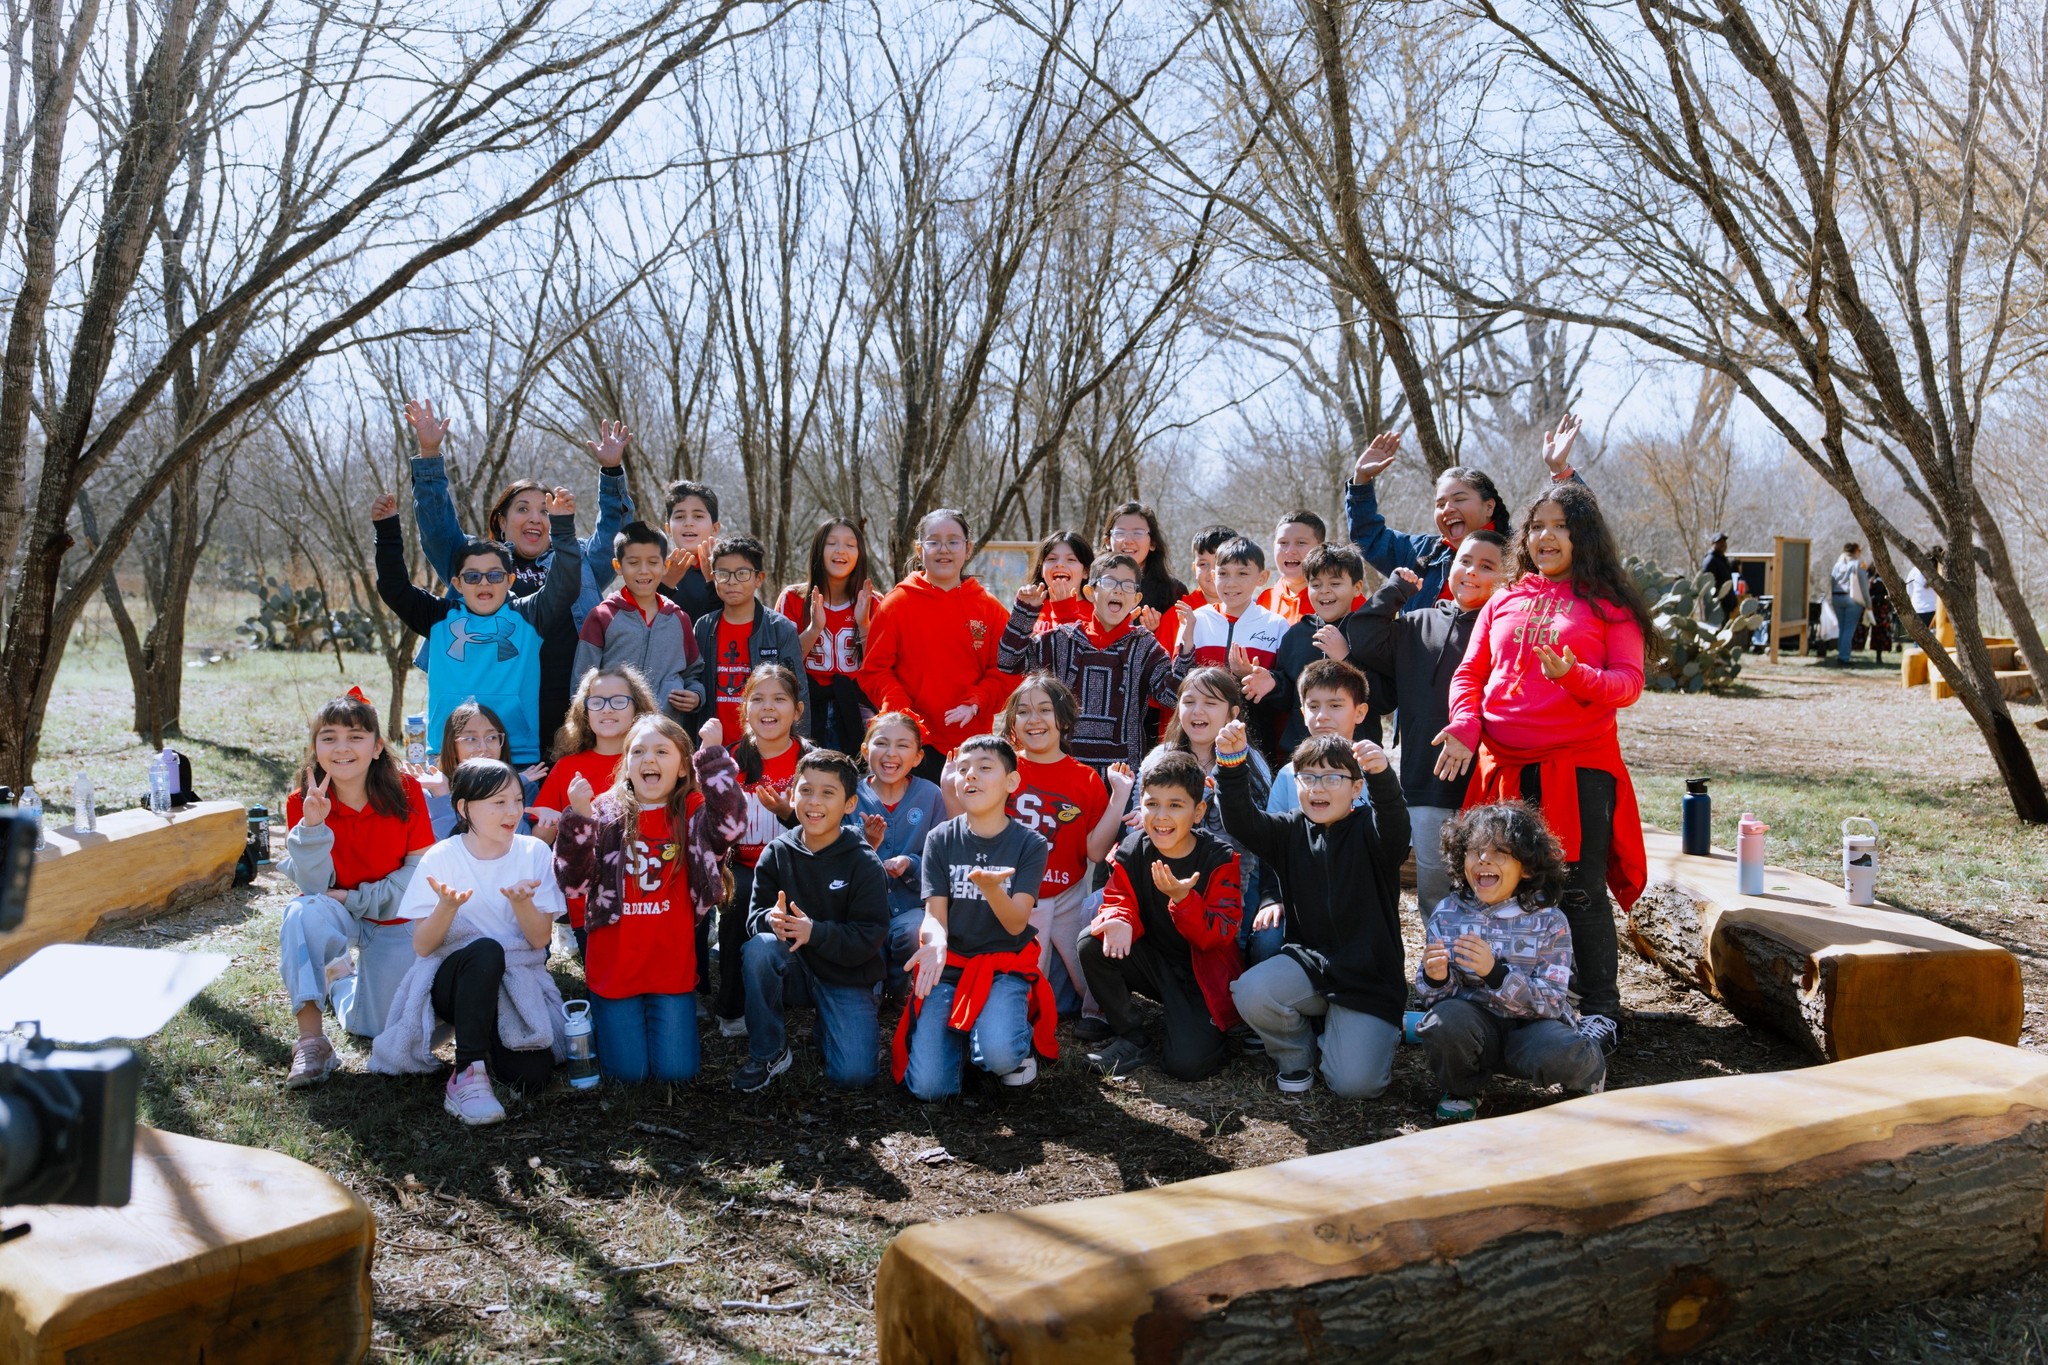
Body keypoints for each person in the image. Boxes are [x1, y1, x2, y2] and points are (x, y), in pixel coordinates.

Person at [1436, 471, 1651, 1057]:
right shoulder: (1505, 597)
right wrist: (1465, 726)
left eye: (1561, 527)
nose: (1546, 537)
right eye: (1537, 527)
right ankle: (1504, 999)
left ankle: (1601, 1010)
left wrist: (1574, 675)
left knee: (1577, 890)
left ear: (1585, 536)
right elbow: (1470, 673)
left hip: (1575, 766)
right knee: (1499, 884)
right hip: (1501, 766)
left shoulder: (1608, 604)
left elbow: (1628, 683)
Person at [403, 402, 634, 744]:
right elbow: (437, 529)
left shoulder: (578, 559)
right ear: (501, 520)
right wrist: (429, 455)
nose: (535, 518)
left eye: (545, 510)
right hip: (488, 707)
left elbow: (615, 535)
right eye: (523, 509)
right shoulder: (475, 561)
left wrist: (612, 472)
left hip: (568, 704)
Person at [368, 758, 568, 1125]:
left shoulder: (535, 852)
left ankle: (488, 1041)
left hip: (512, 981)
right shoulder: (442, 857)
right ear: (464, 808)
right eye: (498, 802)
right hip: (454, 981)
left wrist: (522, 904)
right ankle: (467, 1073)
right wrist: (446, 908)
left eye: (517, 800)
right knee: (485, 949)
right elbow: (423, 947)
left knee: (532, 1077)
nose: (512, 812)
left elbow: (539, 939)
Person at [1219, 726, 1408, 1097]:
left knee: (1355, 1085)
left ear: (1356, 788)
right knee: (1252, 990)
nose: (1318, 788)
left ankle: (1374, 1031)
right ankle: (1296, 1056)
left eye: (1333, 778)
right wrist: (1231, 762)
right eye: (1307, 777)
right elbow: (1241, 821)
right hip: (1310, 965)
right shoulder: (1289, 829)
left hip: (1368, 979)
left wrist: (1383, 777)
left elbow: (1396, 827)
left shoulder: (1372, 833)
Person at [555, 715, 744, 1086]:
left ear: (683, 767)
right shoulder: (604, 813)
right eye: (638, 752)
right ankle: (605, 1021)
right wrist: (578, 817)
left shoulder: (693, 811)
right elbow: (573, 884)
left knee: (677, 1072)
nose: (649, 759)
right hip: (614, 969)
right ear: (626, 765)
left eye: (661, 751)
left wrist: (713, 756)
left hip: (670, 969)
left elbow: (731, 825)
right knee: (629, 1075)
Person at [279, 688, 436, 1085]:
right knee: (299, 913)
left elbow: (418, 873)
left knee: (378, 1027)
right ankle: (312, 1042)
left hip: (391, 914)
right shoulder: (301, 801)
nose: (342, 747)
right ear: (316, 748)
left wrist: (357, 897)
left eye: (355, 736)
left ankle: (340, 981)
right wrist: (312, 827)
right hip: (332, 909)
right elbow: (313, 887)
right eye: (329, 737)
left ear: (377, 746)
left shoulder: (406, 791)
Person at [1415, 801, 1606, 1122]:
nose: (1484, 859)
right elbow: (1435, 1000)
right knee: (1443, 1021)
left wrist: (1496, 974)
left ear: (1527, 868)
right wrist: (1436, 978)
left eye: (1499, 852)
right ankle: (1461, 1089)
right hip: (1476, 1030)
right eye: (1475, 851)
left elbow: (1551, 1001)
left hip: (1534, 1031)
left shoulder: (1549, 920)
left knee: (1561, 1053)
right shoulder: (1448, 914)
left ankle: (1588, 1069)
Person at [1352, 531, 1509, 913]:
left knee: (1490, 888)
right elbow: (1364, 635)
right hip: (1426, 780)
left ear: (1506, 577)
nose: (1471, 572)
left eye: (1486, 566)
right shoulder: (1416, 623)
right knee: (1435, 890)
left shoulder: (1506, 630)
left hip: (1487, 783)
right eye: (1464, 562)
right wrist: (1395, 590)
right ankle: (1438, 951)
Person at [894, 735, 1055, 1100]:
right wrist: (935, 942)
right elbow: (935, 915)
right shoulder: (940, 838)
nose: (970, 776)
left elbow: (1016, 923)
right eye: (963, 769)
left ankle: (1011, 1042)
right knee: (929, 1089)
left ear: (1011, 781)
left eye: (984, 768)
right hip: (951, 968)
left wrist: (992, 889)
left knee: (1000, 1056)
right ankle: (966, 1040)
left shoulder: (1029, 843)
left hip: (1004, 968)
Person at [372, 489, 580, 768]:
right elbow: (394, 588)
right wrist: (386, 530)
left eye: (494, 575)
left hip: (515, 755)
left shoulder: (529, 617)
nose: (484, 583)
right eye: (472, 576)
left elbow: (566, 585)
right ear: (457, 584)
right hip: (449, 754)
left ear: (510, 580)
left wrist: (563, 525)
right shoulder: (438, 617)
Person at [1079, 749, 1245, 1080]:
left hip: (1201, 978)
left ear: (1198, 812)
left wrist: (1183, 899)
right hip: (1153, 966)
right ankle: (1132, 1036)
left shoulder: (1219, 859)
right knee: (1092, 942)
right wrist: (1119, 918)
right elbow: (1117, 896)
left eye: (1175, 805)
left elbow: (1218, 935)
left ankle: (1203, 1027)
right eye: (1152, 804)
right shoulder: (1132, 849)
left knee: (1185, 1066)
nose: (1161, 816)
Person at [739, 748, 890, 1092]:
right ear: (792, 795)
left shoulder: (863, 861)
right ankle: (769, 1052)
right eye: (805, 790)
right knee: (760, 949)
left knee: (854, 1076)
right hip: (795, 966)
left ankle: (831, 1022)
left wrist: (815, 932)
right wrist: (772, 920)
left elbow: (870, 935)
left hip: (846, 972)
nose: (814, 801)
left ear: (849, 804)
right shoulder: (777, 851)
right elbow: (754, 919)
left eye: (827, 792)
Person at [990, 675, 1133, 1032]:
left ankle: (1099, 1016)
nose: (1034, 720)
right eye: (1023, 711)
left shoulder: (1084, 778)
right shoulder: (1000, 768)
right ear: (1011, 722)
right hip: (1014, 895)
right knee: (1022, 987)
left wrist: (1118, 798)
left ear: (1065, 719)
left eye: (1044, 709)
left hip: (1068, 893)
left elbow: (1096, 852)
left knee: (1087, 969)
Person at [1345, 419, 1585, 614]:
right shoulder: (1420, 553)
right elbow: (1368, 536)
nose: (1447, 509)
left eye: (1459, 499)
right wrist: (1361, 481)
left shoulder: (1521, 552)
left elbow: (1583, 536)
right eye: (1440, 504)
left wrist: (1560, 471)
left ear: (1489, 507)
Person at [859, 508, 1016, 778]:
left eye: (953, 541)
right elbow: (875, 670)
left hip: (972, 744)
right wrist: (902, 712)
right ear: (919, 548)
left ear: (968, 548)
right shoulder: (897, 604)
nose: (944, 549)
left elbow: (1005, 673)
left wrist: (976, 702)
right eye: (934, 541)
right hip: (911, 745)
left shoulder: (989, 608)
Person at [997, 552, 1184, 774]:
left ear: (1136, 598)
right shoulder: (1062, 639)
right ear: (1089, 592)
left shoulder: (1144, 646)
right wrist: (1025, 612)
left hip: (1123, 774)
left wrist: (1186, 645)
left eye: (1127, 586)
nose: (1118, 590)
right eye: (1108, 582)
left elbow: (1171, 696)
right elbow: (1009, 661)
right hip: (1064, 768)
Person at [530, 666, 660, 952]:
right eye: (597, 701)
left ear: (637, 708)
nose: (607, 709)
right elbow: (540, 840)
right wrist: (552, 824)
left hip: (651, 902)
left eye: (619, 701)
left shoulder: (654, 762)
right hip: (588, 909)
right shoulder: (567, 767)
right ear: (584, 710)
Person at [714, 664, 811, 1036]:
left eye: (779, 699)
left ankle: (807, 991)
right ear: (744, 709)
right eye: (757, 699)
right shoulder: (728, 760)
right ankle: (732, 1008)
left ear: (797, 711)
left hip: (799, 865)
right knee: (738, 898)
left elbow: (827, 828)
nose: (768, 707)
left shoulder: (810, 759)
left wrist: (788, 814)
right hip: (744, 864)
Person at [1150, 667, 1271, 954]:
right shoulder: (1160, 758)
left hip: (1232, 886)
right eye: (1189, 701)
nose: (1197, 711)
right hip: (1168, 878)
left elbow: (1257, 834)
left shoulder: (1252, 763)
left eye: (1210, 702)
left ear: (1232, 714)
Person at [572, 521, 705, 723]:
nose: (643, 570)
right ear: (618, 566)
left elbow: (693, 673)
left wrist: (696, 695)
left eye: (652, 562)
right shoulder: (602, 617)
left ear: (666, 566)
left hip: (666, 731)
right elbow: (582, 682)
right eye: (633, 563)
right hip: (614, 731)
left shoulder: (679, 619)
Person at [857, 712, 948, 997]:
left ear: (918, 757)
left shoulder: (930, 795)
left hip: (910, 906)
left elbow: (940, 859)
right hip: (861, 911)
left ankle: (898, 990)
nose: (891, 754)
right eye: (882, 743)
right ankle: (873, 988)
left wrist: (910, 863)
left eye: (903, 745)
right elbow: (838, 859)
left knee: (912, 933)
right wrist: (868, 846)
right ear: (865, 750)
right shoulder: (851, 795)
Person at [1179, 535, 1290, 760]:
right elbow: (1177, 682)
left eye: (1242, 573)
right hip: (1198, 741)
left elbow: (1287, 691)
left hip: (1257, 742)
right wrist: (1186, 646)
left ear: (1262, 577)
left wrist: (1253, 678)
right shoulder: (1196, 620)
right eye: (1223, 574)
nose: (1231, 583)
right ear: (1213, 576)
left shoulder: (1276, 625)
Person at [774, 517, 877, 754]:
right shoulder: (793, 598)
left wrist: (863, 625)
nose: (841, 550)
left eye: (850, 544)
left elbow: (878, 668)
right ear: (818, 550)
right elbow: (782, 663)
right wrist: (814, 629)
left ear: (860, 553)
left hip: (856, 707)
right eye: (832, 543)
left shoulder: (873, 601)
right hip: (805, 704)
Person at [1265, 542, 1378, 752]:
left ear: (1357, 588)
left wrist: (1345, 658)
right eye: (1316, 584)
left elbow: (1385, 699)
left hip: (1356, 754)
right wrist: (1271, 684)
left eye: (1335, 583)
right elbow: (1289, 698)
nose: (1324, 591)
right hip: (1302, 754)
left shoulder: (1369, 633)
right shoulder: (1295, 635)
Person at [696, 534, 809, 740]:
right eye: (723, 574)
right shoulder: (703, 627)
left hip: (765, 744)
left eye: (742, 573)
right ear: (713, 577)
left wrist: (799, 748)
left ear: (759, 578)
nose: (732, 581)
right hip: (713, 745)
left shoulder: (779, 629)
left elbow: (798, 693)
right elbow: (693, 680)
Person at [1265, 659, 1374, 819]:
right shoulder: (1289, 774)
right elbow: (1273, 830)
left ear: (1360, 712)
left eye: (1335, 706)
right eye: (1313, 707)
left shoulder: (1375, 770)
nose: (1322, 716)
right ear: (1303, 713)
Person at [415, 700, 539, 839]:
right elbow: (446, 846)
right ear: (452, 745)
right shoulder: (431, 791)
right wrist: (442, 795)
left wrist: (507, 789)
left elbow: (520, 841)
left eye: (492, 737)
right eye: (471, 739)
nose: (483, 748)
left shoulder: (525, 788)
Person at [1101, 501, 1189, 618]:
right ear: (1107, 541)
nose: (1128, 540)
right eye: (1120, 533)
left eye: (1137, 533)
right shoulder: (1092, 584)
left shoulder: (1174, 592)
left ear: (1153, 543)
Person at [657, 478, 725, 621]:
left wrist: (713, 579)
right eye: (679, 516)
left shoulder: (730, 572)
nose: (688, 523)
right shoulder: (655, 571)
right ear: (668, 529)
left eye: (698, 516)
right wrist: (664, 585)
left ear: (715, 528)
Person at [1254, 510, 1327, 624]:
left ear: (1321, 548)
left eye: (1301, 543)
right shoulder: (1265, 601)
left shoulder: (1341, 598)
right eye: (1283, 543)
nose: (1290, 551)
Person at [1023, 530, 1095, 635]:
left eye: (1071, 559)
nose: (1060, 564)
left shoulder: (1098, 612)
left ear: (1086, 571)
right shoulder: (1032, 605)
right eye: (1052, 558)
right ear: (1041, 569)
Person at [1828, 541, 1869, 666]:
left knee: (1842, 628)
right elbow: (1863, 586)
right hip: (1852, 599)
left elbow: (1832, 582)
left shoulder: (1837, 565)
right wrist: (1868, 603)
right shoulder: (1857, 564)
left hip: (1837, 597)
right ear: (1856, 551)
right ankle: (1844, 657)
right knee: (1849, 629)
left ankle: (1841, 654)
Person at [1701, 532, 1736, 625]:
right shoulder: (1710, 560)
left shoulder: (1722, 559)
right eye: (1719, 542)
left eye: (1724, 542)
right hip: (1717, 607)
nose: (1723, 544)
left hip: (1726, 605)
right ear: (1713, 544)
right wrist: (1713, 603)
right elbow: (1706, 585)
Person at [1905, 549, 1940, 628]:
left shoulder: (1915, 570)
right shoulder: (1940, 572)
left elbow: (1909, 590)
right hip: (1935, 611)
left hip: (1918, 610)